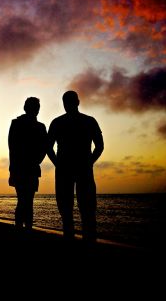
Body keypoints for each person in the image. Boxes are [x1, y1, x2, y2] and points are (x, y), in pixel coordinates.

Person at [47, 91, 104, 243]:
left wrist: (59, 163)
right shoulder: (88, 121)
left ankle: (76, 239)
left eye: (68, 102)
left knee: (76, 210)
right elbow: (99, 146)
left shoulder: (59, 122)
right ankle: (84, 240)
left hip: (72, 169)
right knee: (82, 210)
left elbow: (48, 148)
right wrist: (89, 161)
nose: (68, 105)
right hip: (77, 168)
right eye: (66, 102)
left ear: (76, 102)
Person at [8, 97, 47, 231]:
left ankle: (23, 227)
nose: (35, 110)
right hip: (24, 168)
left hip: (25, 168)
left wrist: (35, 161)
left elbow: (12, 149)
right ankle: (25, 228)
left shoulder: (19, 124)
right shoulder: (20, 124)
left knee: (24, 201)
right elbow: (12, 148)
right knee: (26, 201)